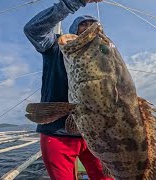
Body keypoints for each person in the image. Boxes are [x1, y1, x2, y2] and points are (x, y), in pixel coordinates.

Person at [24, 0, 113, 180]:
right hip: (57, 133)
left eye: (93, 25)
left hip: (95, 134)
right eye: (83, 24)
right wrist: (74, 2)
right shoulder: (56, 46)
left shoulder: (105, 57)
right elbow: (33, 30)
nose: (88, 28)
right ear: (73, 31)